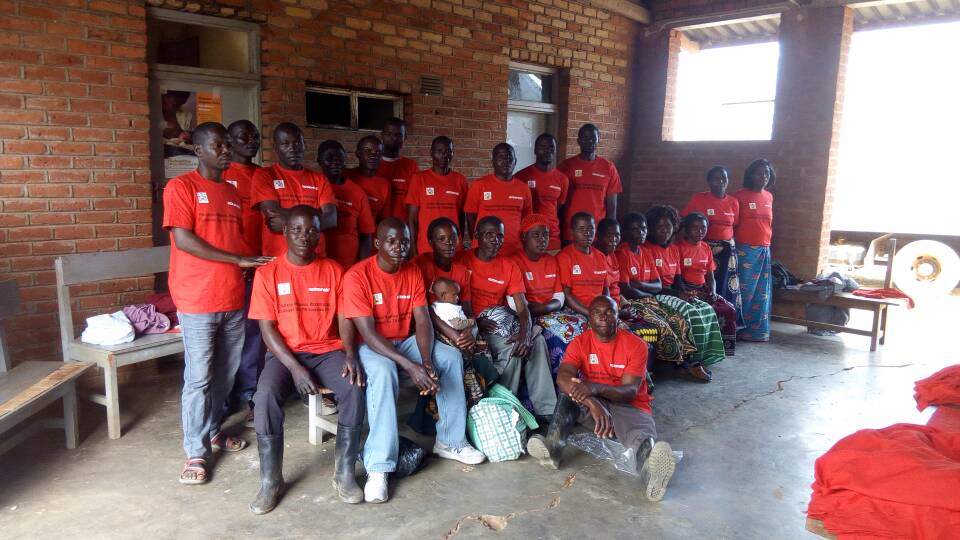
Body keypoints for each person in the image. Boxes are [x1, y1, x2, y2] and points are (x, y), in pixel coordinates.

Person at [342, 218, 485, 503]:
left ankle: (450, 441)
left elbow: (422, 320)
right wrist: (411, 366)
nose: (399, 247)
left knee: (449, 356)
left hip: (402, 341)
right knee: (384, 372)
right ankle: (379, 467)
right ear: (378, 244)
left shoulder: (412, 272)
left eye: (405, 241)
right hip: (370, 345)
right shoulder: (357, 276)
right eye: (392, 241)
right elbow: (368, 334)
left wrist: (426, 361)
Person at [162, 122, 274, 485]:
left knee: (226, 374)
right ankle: (195, 451)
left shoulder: (229, 192)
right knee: (199, 377)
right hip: (197, 299)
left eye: (228, 145)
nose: (227, 150)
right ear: (199, 150)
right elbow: (184, 240)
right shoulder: (182, 187)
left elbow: (233, 240)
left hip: (231, 296)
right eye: (219, 145)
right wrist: (238, 261)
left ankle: (211, 430)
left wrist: (253, 262)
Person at [247, 206, 367, 513]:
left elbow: (344, 318)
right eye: (297, 230)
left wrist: (350, 352)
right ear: (285, 232)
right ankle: (270, 481)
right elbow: (267, 328)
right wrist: (296, 368)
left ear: (320, 233)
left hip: (327, 350)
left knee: (353, 389)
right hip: (285, 355)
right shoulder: (268, 273)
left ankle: (343, 474)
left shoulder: (334, 270)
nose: (305, 236)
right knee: (266, 397)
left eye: (312, 230)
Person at [526, 295, 677, 502]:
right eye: (597, 313)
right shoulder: (579, 343)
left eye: (609, 312)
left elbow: (630, 392)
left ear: (617, 317)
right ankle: (552, 448)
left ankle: (651, 473)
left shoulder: (636, 345)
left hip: (630, 406)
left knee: (641, 437)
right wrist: (592, 401)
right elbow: (563, 378)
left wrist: (594, 388)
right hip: (596, 405)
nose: (603, 317)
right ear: (589, 319)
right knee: (567, 396)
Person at [460, 216, 557, 422]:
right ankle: (504, 409)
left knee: (536, 341)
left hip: (501, 321)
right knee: (511, 347)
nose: (495, 240)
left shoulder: (508, 265)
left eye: (499, 236)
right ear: (476, 236)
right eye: (489, 235)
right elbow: (457, 302)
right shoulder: (464, 261)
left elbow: (522, 308)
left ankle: (547, 411)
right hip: (476, 325)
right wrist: (475, 322)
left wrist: (525, 334)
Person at [645, 205, 724, 381]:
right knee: (690, 312)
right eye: (659, 226)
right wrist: (678, 295)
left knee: (705, 309)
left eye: (668, 226)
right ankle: (690, 363)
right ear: (651, 228)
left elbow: (678, 278)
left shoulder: (673, 249)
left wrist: (684, 292)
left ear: (674, 227)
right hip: (656, 294)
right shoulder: (647, 250)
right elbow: (653, 285)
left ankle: (705, 357)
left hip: (672, 291)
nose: (664, 230)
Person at [223, 119, 264, 425]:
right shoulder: (222, 177)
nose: (249, 140)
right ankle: (227, 394)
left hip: (261, 266)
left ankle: (251, 391)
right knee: (231, 335)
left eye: (254, 136)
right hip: (231, 268)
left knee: (255, 333)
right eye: (241, 137)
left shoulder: (266, 175)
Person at [615, 212, 696, 366]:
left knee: (678, 318)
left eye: (643, 229)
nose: (641, 233)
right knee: (663, 324)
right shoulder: (622, 253)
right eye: (635, 230)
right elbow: (626, 290)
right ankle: (675, 363)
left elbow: (658, 285)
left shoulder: (645, 251)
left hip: (649, 299)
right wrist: (648, 293)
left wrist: (638, 284)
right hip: (634, 301)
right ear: (626, 232)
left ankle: (688, 359)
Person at [513, 213, 586, 376]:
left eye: (545, 234)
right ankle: (565, 387)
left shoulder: (551, 260)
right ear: (524, 236)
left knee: (583, 328)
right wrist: (545, 308)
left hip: (553, 313)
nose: (542, 239)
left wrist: (545, 306)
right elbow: (518, 306)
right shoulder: (514, 262)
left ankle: (590, 380)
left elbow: (559, 298)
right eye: (536, 235)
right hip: (529, 318)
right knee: (562, 339)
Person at [251, 123, 337, 258]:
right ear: (276, 148)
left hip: (316, 259)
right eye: (285, 144)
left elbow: (331, 219)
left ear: (304, 145)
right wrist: (315, 217)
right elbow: (273, 217)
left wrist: (286, 219)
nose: (292, 148)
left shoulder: (320, 179)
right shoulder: (264, 175)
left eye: (297, 143)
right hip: (277, 259)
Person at [682, 166, 743, 328]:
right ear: (708, 182)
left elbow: (734, 225)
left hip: (727, 251)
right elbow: (686, 221)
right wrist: (707, 245)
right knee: (704, 282)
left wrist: (725, 245)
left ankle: (725, 323)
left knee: (725, 286)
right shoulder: (699, 199)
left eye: (723, 177)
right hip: (704, 248)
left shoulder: (733, 202)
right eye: (715, 178)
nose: (720, 181)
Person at [676, 213, 739, 354]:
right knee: (703, 311)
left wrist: (713, 291)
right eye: (695, 228)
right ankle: (699, 351)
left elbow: (711, 276)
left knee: (729, 309)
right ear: (687, 229)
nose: (699, 232)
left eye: (703, 228)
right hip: (686, 290)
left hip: (703, 289)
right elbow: (677, 277)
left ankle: (720, 349)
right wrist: (685, 292)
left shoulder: (705, 248)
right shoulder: (678, 248)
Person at [464, 143, 533, 256]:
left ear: (515, 161)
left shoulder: (524, 188)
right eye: (501, 157)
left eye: (509, 157)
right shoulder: (479, 185)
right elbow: (471, 216)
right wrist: (478, 241)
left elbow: (526, 221)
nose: (506, 161)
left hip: (514, 251)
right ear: (493, 161)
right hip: (485, 251)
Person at [734, 159, 776, 342]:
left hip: (764, 250)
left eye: (766, 173)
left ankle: (757, 331)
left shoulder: (769, 197)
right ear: (750, 175)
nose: (763, 177)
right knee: (745, 291)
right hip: (744, 250)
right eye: (759, 173)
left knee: (762, 292)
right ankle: (739, 329)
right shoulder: (739, 196)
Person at [559, 124, 621, 242]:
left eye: (593, 137)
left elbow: (612, 208)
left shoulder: (608, 168)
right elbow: (559, 204)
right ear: (578, 141)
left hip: (597, 234)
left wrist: (609, 233)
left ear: (598, 139)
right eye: (585, 138)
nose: (589, 141)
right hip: (571, 232)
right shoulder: (566, 166)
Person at [406, 136, 468, 256]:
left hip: (452, 248)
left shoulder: (460, 180)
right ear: (431, 153)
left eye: (448, 151)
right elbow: (412, 219)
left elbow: (461, 216)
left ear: (452, 153)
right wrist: (413, 251)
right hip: (426, 247)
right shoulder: (419, 179)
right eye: (439, 151)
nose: (444, 155)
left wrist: (459, 243)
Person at [317, 140, 375, 267]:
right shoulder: (314, 187)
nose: (335, 162)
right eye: (329, 158)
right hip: (318, 264)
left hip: (348, 265)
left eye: (340, 158)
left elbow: (366, 233)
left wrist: (363, 267)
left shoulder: (357, 192)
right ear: (319, 161)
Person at [514, 133, 569, 252]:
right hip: (527, 239)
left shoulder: (562, 179)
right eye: (542, 147)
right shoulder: (521, 177)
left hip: (552, 238)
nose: (547, 151)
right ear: (535, 150)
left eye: (551, 148)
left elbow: (558, 208)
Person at [556, 213, 611, 318]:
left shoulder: (600, 257)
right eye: (582, 229)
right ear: (572, 232)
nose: (587, 233)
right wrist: (590, 313)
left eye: (591, 228)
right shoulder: (565, 257)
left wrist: (607, 308)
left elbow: (605, 289)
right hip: (575, 310)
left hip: (600, 310)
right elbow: (567, 295)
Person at [378, 117, 420, 221]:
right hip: (377, 229)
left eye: (398, 135)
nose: (394, 138)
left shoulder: (411, 166)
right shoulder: (372, 165)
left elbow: (414, 202)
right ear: (382, 136)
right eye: (389, 134)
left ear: (405, 137)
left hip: (403, 229)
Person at [347, 135, 392, 221]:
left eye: (378, 152)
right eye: (368, 151)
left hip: (371, 233)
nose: (373, 155)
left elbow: (384, 219)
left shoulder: (384, 185)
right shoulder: (346, 176)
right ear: (358, 154)